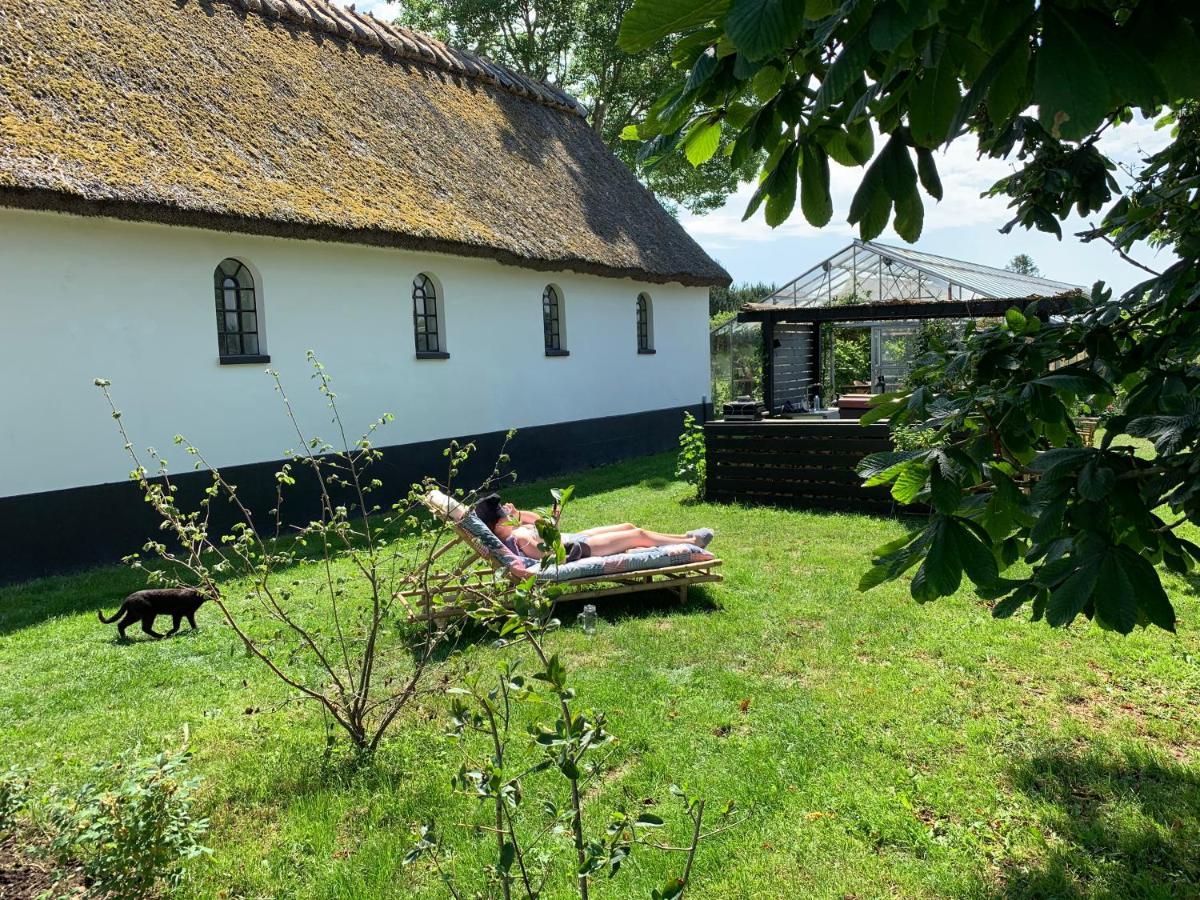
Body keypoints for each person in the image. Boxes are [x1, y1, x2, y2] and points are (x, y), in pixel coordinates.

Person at [473, 494, 713, 563]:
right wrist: (547, 531)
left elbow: (542, 523)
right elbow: (552, 555)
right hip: (578, 549)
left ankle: (683, 536)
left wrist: (520, 515)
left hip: (570, 538)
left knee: (628, 526)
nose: (509, 514)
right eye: (505, 514)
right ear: (498, 523)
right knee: (635, 535)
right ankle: (693, 544)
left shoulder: (516, 531)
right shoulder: (520, 538)